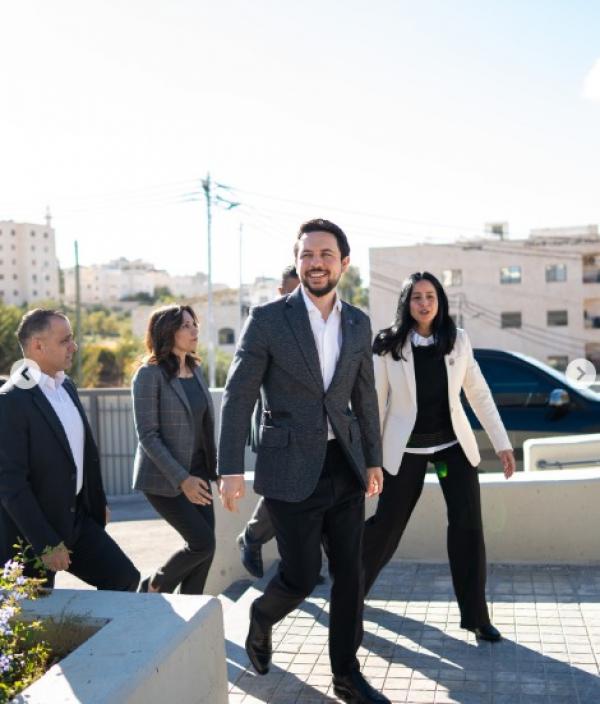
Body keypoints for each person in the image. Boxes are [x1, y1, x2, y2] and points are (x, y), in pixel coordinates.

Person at [219, 219, 390, 704]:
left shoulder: (357, 322)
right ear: (297, 261)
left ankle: (346, 676)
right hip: (289, 468)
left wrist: (373, 459)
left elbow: (365, 395)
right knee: (300, 576)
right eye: (307, 255)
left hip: (345, 464)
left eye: (326, 255)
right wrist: (230, 468)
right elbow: (238, 394)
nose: (316, 263)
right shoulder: (268, 319)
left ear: (344, 263)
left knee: (351, 574)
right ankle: (261, 616)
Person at [363, 272, 516, 642]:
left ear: (440, 301)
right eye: (416, 297)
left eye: (430, 296)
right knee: (388, 525)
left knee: (468, 527)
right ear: (407, 303)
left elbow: (478, 393)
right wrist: (371, 459)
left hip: (452, 448)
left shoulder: (457, 339)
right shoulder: (387, 344)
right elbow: (374, 403)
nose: (424, 303)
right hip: (406, 448)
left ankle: (476, 617)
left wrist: (501, 443)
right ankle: (350, 591)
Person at [0, 309, 139, 591]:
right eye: (65, 340)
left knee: (124, 578)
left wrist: (97, 502)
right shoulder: (10, 400)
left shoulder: (67, 386)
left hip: (76, 521)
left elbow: (82, 454)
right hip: (30, 535)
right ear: (38, 346)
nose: (73, 346)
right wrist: (46, 543)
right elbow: (10, 483)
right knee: (34, 611)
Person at [132, 304, 217, 594]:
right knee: (202, 543)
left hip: (199, 472)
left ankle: (192, 607)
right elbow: (148, 435)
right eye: (186, 326)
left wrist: (214, 471)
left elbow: (204, 426)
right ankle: (155, 585)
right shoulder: (149, 374)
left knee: (206, 549)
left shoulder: (196, 369)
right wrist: (183, 479)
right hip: (163, 478)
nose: (194, 331)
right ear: (167, 332)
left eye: (195, 324)